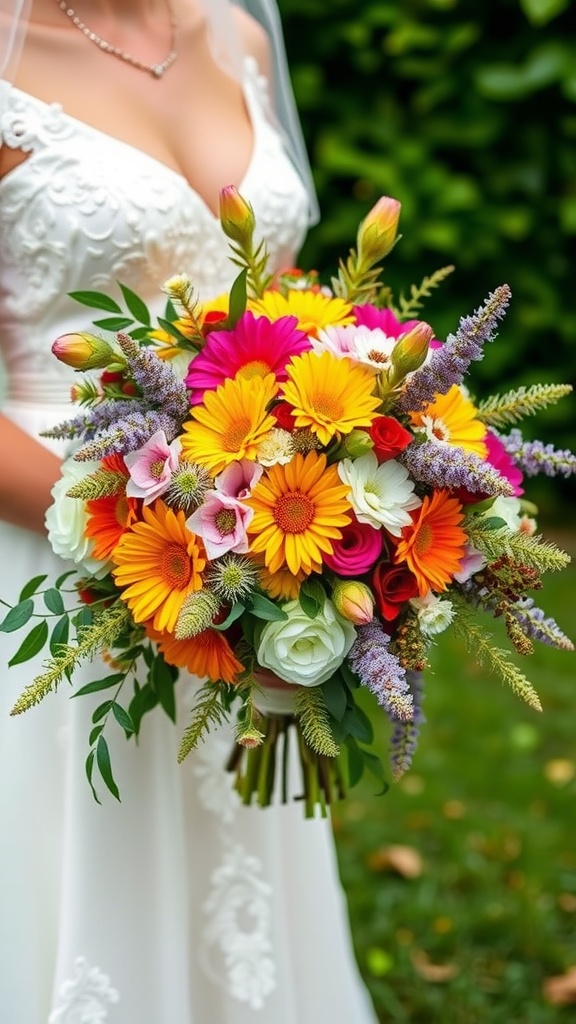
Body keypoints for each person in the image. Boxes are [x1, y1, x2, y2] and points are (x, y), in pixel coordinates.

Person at [0, 0, 380, 1021]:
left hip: (250, 537)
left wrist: (333, 490)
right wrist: (157, 540)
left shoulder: (237, 37)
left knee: (237, 886)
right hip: (64, 558)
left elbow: (281, 299)